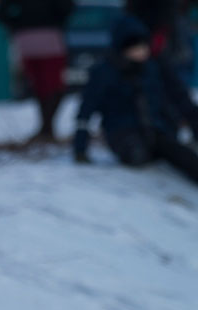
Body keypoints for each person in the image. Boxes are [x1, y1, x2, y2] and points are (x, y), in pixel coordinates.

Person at [73, 13, 198, 183]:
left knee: (182, 156)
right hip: (123, 132)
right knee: (137, 154)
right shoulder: (105, 72)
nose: (141, 51)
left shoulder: (154, 68)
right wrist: (80, 147)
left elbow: (181, 98)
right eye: (135, 47)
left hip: (158, 129)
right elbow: (86, 108)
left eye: (143, 46)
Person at [0, 0, 75, 142]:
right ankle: (47, 128)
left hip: (26, 37)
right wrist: (56, 22)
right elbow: (68, 7)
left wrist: (17, 24)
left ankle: (46, 128)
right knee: (54, 85)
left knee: (40, 86)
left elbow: (0, 12)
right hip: (50, 35)